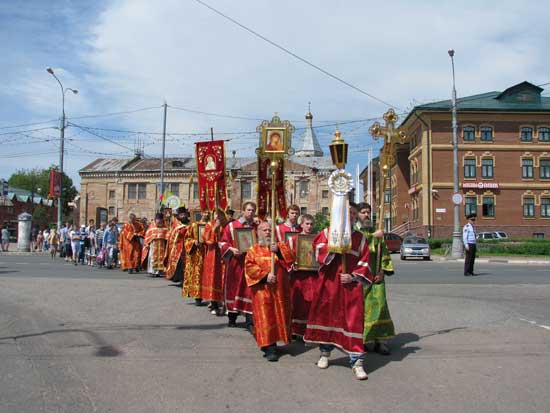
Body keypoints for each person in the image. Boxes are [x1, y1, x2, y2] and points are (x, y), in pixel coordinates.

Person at [304, 226, 373, 380]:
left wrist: (353, 276)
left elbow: (365, 261)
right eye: (348, 213)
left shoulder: (360, 238)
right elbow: (316, 251)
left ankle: (357, 362)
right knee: (327, 318)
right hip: (329, 284)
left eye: (353, 213)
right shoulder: (327, 233)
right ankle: (324, 353)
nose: (350, 216)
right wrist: (332, 249)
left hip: (350, 286)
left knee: (353, 321)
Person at [245, 221, 294, 361]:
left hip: (279, 290)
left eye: (269, 230)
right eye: (264, 230)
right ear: (258, 232)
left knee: (279, 316)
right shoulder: (253, 250)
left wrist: (278, 250)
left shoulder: (280, 246)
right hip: (262, 291)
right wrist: (265, 277)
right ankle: (269, 347)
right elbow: (249, 268)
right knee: (265, 318)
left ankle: (275, 341)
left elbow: (291, 258)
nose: (267, 232)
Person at [356, 202, 395, 355]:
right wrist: (373, 237)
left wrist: (382, 272)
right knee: (363, 309)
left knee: (380, 307)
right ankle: (365, 340)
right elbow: (361, 247)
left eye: (368, 212)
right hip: (361, 276)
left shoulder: (376, 230)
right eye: (363, 212)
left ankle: (381, 341)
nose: (366, 215)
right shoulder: (355, 231)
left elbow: (384, 253)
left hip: (377, 276)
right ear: (358, 215)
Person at [220, 201, 257, 329]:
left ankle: (249, 320)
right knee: (234, 288)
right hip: (236, 263)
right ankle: (232, 317)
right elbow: (223, 243)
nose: (251, 212)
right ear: (242, 211)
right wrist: (231, 249)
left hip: (251, 263)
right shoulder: (232, 226)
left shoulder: (256, 227)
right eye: (248, 210)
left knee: (249, 290)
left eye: (253, 210)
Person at [286, 214, 316, 337]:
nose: (309, 226)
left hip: (313, 277)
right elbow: (287, 257)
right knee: (297, 302)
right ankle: (294, 330)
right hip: (298, 277)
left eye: (311, 224)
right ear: (301, 224)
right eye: (307, 224)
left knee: (311, 303)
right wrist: (292, 265)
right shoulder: (294, 240)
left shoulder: (317, 239)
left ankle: (308, 331)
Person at [201, 208, 227, 315]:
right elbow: (206, 240)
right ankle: (214, 303)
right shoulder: (209, 225)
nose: (217, 216)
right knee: (213, 278)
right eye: (216, 214)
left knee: (225, 278)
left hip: (224, 254)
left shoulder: (227, 225)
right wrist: (214, 230)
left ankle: (225, 303)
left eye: (220, 214)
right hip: (213, 255)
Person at [183, 212, 209, 305]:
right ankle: (198, 296)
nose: (206, 214)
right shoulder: (194, 226)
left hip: (209, 253)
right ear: (201, 213)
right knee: (198, 274)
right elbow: (187, 239)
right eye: (204, 212)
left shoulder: (212, 226)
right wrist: (194, 242)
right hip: (197, 255)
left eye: (208, 212)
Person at [164, 206, 190, 283]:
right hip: (177, 248)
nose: (183, 216)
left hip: (186, 246)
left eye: (184, 214)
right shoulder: (176, 225)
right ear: (179, 216)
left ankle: (184, 278)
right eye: (181, 215)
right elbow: (173, 236)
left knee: (185, 263)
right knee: (178, 264)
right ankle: (178, 278)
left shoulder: (189, 223)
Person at [141, 213, 169, 277]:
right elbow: (147, 236)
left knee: (161, 258)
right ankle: (152, 271)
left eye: (160, 220)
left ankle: (158, 272)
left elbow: (168, 236)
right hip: (153, 246)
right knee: (152, 258)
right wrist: (147, 244)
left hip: (162, 245)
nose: (159, 221)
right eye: (157, 220)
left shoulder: (165, 227)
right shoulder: (151, 227)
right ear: (155, 220)